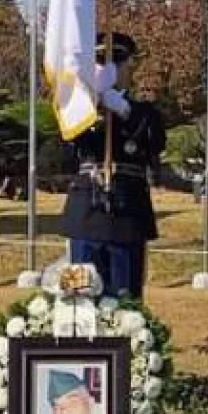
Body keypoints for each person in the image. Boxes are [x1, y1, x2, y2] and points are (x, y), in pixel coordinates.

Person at [60, 33, 165, 299]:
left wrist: (123, 110)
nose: (114, 70)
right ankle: (79, 343)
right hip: (86, 212)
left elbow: (154, 142)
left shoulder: (144, 112)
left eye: (119, 63)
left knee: (125, 301)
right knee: (77, 300)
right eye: (103, 63)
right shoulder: (78, 110)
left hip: (127, 212)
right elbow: (69, 141)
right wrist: (93, 103)